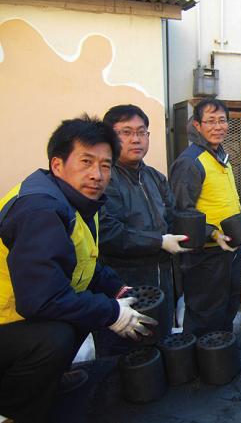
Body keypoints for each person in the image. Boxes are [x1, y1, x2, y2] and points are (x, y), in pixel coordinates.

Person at [0, 116, 156, 423]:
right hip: (8, 321)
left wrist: (116, 289)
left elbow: (84, 261)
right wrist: (111, 312)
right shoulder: (40, 210)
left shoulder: (80, 202)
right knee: (56, 335)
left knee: (85, 310)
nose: (96, 175)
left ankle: (48, 380)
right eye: (86, 161)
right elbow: (39, 300)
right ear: (57, 165)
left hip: (19, 319)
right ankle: (13, 410)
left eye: (105, 165)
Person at [96, 104, 187, 356]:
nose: (135, 139)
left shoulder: (155, 177)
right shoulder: (104, 177)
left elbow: (174, 217)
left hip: (161, 281)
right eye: (125, 132)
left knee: (161, 348)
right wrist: (158, 241)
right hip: (124, 284)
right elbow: (107, 232)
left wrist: (210, 232)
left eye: (142, 132)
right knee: (124, 357)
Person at [170, 98, 241, 337]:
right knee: (205, 314)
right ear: (197, 125)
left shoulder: (220, 156)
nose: (217, 126)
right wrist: (211, 232)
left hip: (229, 249)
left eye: (222, 120)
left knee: (228, 308)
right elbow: (181, 211)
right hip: (206, 254)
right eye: (210, 121)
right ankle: (200, 366)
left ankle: (221, 356)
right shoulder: (190, 161)